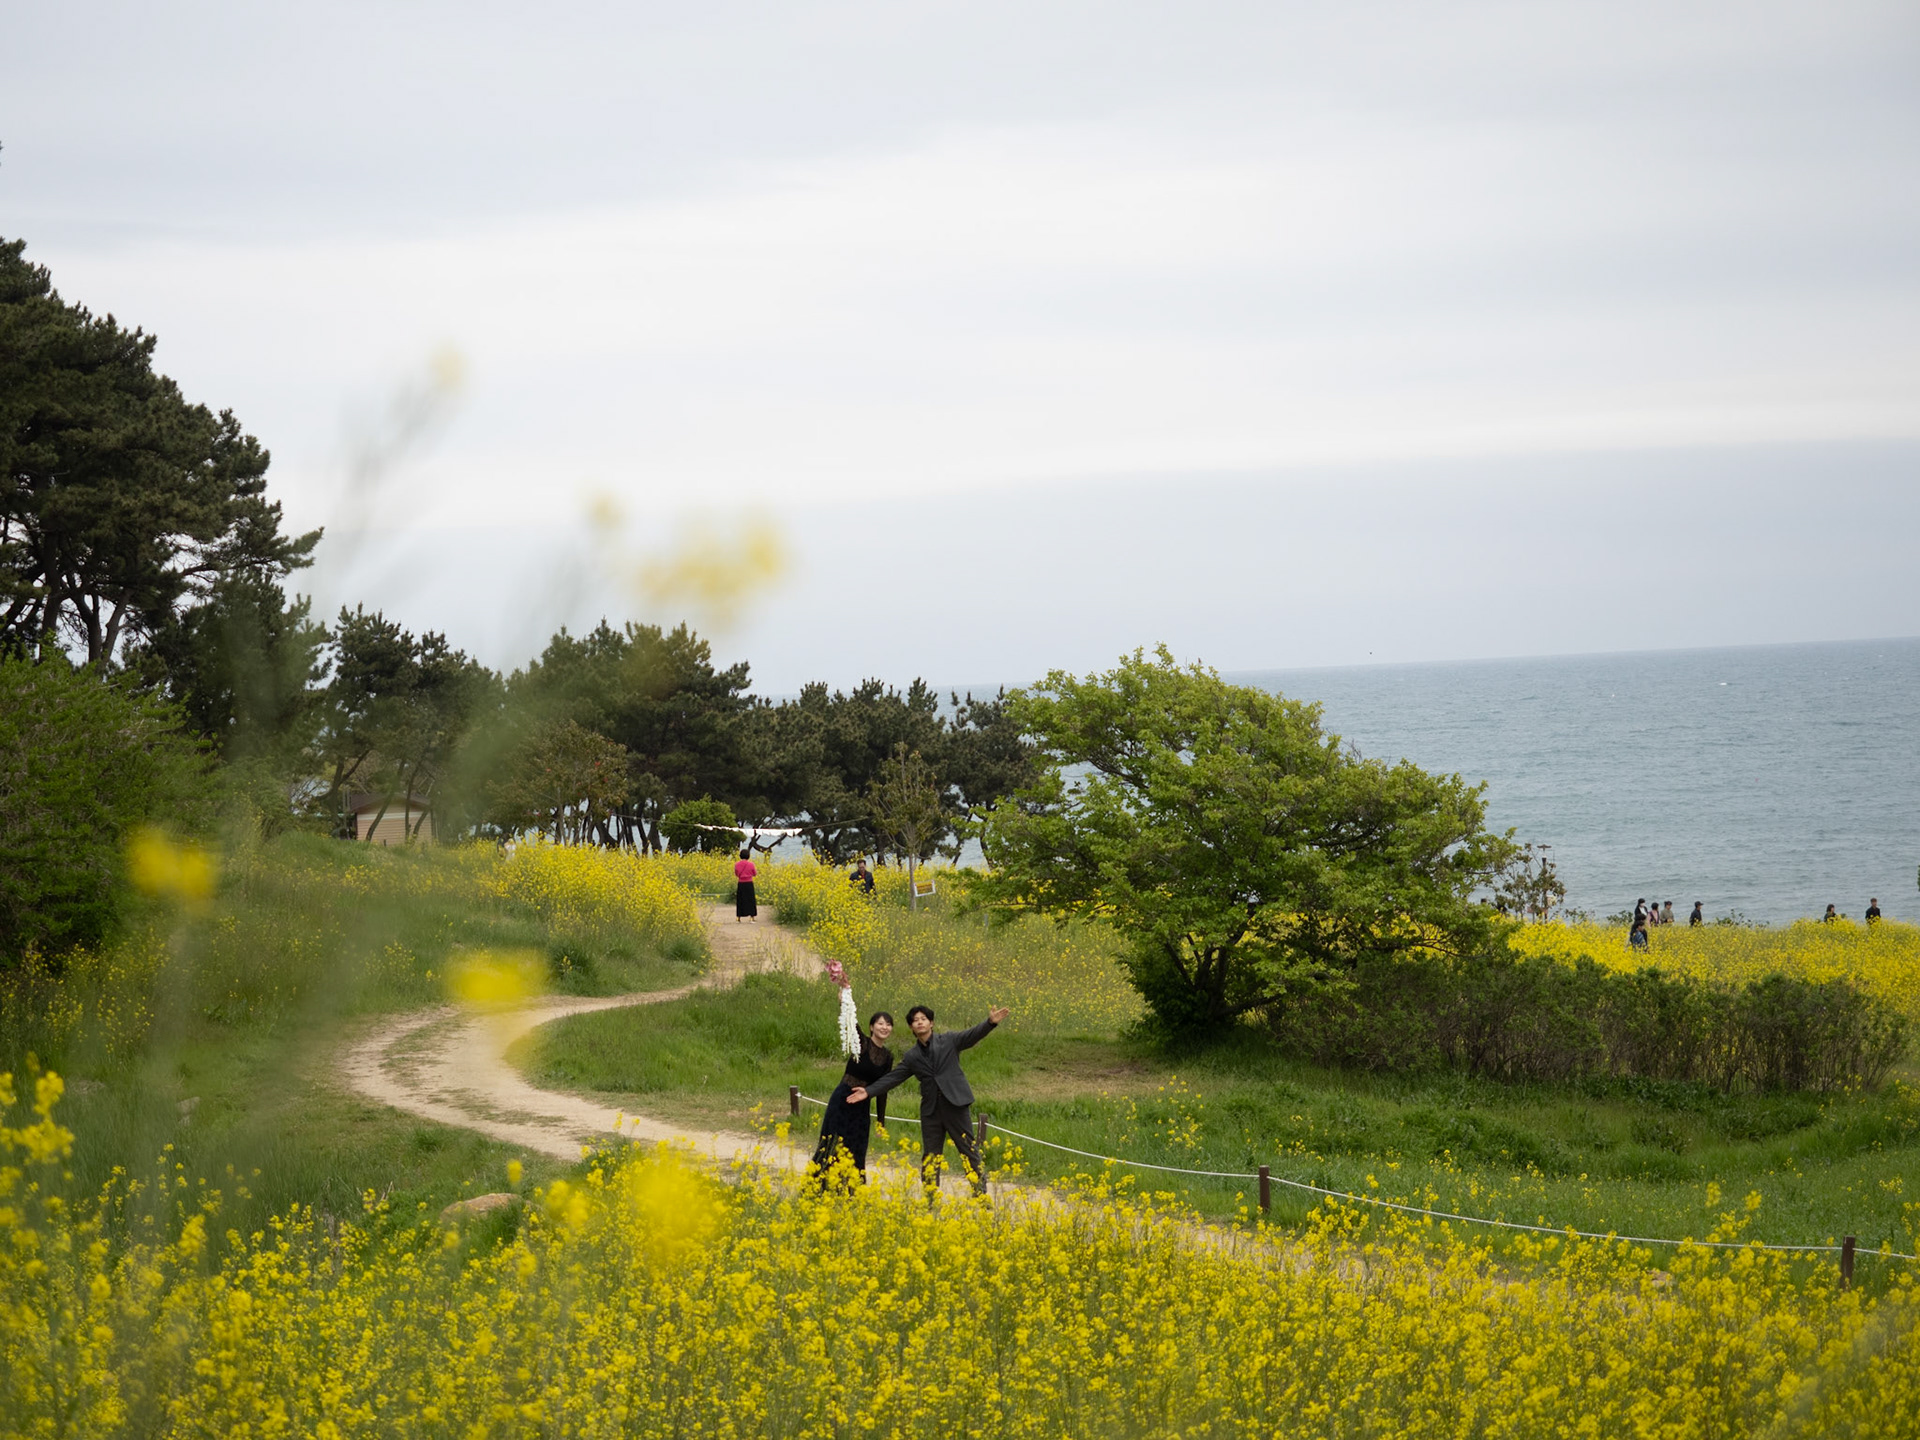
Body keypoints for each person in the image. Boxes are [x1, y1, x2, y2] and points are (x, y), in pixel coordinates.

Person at [848, 1003, 1010, 1200]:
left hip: (956, 1105)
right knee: (930, 1156)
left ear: (931, 1023)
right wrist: (868, 1091)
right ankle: (930, 1199)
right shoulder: (912, 1056)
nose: (920, 1023)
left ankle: (981, 1196)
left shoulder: (949, 1040)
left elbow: (971, 1035)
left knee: (969, 1151)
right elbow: (893, 1078)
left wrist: (990, 1023)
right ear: (911, 1027)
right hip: (931, 1111)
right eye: (915, 1021)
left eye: (923, 1019)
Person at [810, 1011, 895, 1188]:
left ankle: (851, 1192)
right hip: (842, 1101)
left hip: (862, 1106)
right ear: (871, 1027)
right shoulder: (861, 1043)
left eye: (888, 1024)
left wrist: (881, 1122)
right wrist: (844, 1000)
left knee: (857, 1148)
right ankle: (819, 1187)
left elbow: (882, 1090)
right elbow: (851, 1022)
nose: (884, 1027)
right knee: (832, 1145)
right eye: (880, 1023)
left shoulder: (888, 1057)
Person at [734, 849, 758, 923]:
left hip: (741, 883)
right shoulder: (751, 864)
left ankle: (738, 918)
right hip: (749, 883)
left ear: (740, 856)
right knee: (751, 900)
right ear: (748, 856)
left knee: (740, 900)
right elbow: (755, 874)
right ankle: (752, 917)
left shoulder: (737, 864)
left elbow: (736, 874)